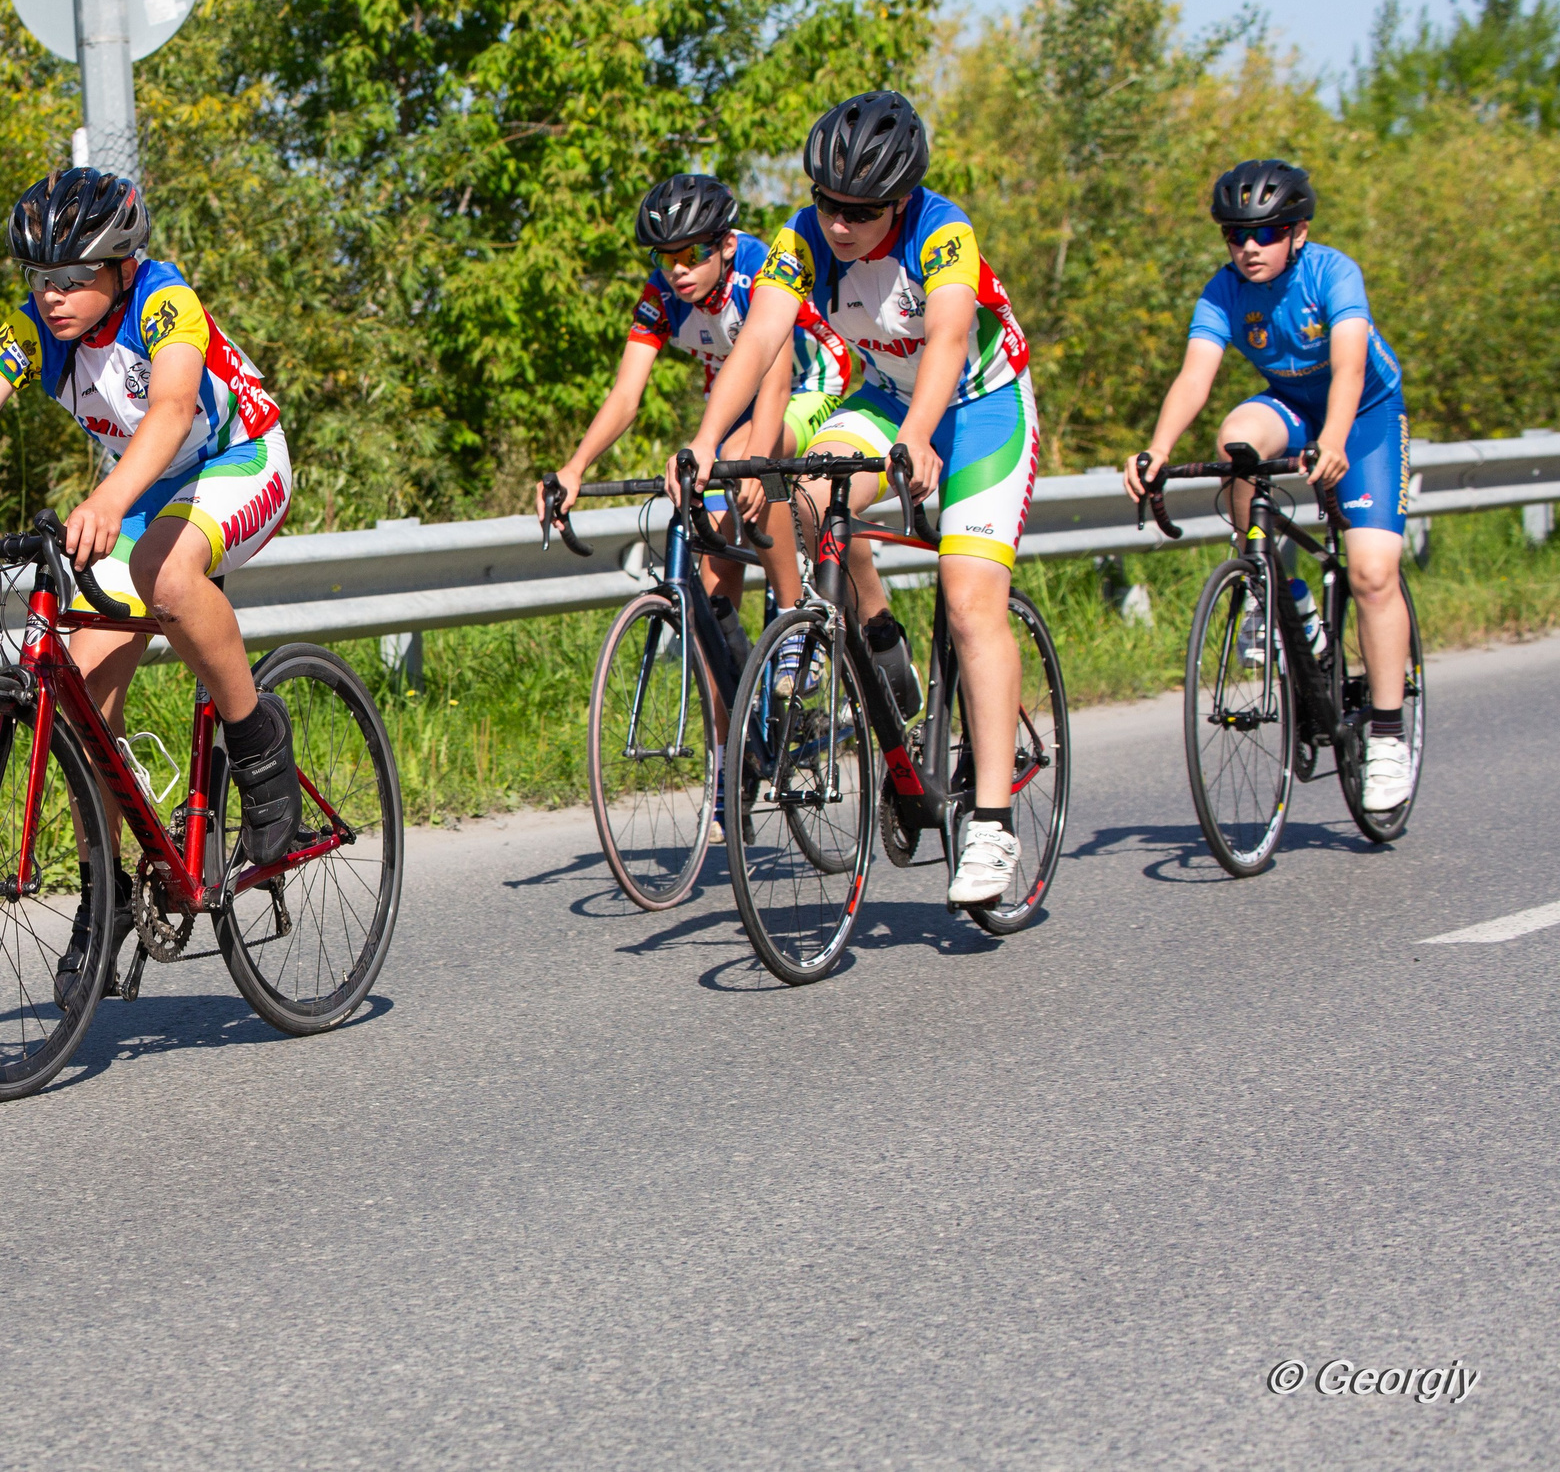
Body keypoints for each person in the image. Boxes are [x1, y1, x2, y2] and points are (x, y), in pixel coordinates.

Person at [0, 167, 300, 1004]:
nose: (53, 296)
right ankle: (108, 893)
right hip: (150, 487)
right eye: (40, 279)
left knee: (165, 575)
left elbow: (169, 411)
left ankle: (260, 749)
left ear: (121, 266)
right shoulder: (36, 331)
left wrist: (106, 499)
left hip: (240, 461)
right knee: (85, 699)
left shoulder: (166, 302)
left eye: (72, 278)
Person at [675, 90, 1039, 906]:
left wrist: (919, 436)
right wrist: (706, 440)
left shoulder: (940, 231)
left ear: (900, 200)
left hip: (980, 406)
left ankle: (990, 818)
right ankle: (859, 657)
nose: (840, 224)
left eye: (862, 211)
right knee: (799, 503)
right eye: (828, 203)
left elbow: (947, 338)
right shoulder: (805, 238)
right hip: (884, 400)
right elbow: (761, 336)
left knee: (971, 596)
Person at [1119, 159, 1413, 811]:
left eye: (1269, 232)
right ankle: (1287, 596)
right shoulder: (1222, 290)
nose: (1250, 247)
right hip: (1291, 404)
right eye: (1235, 234)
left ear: (1298, 231)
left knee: (1370, 571)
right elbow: (1196, 375)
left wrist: (1334, 439)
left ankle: (1388, 733)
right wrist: (1157, 450)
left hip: (1363, 414)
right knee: (1235, 446)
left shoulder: (1333, 272)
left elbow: (1348, 365)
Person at [546, 173, 857, 707]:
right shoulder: (663, 295)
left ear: (727, 244)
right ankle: (732, 759)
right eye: (665, 258)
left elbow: (777, 380)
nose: (679, 270)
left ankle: (793, 628)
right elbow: (626, 394)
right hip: (741, 404)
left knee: (743, 466)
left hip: (812, 383)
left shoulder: (761, 268)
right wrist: (574, 467)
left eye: (690, 253)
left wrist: (759, 461)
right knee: (712, 585)